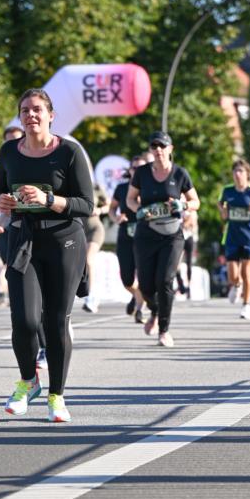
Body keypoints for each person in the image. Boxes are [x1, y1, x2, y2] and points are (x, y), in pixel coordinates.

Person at [0, 88, 93, 421]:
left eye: (37, 109)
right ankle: (28, 380)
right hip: (24, 240)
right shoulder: (9, 151)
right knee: (24, 321)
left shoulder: (69, 152)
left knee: (55, 321)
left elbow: (87, 205)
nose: (31, 115)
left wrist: (48, 199)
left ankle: (57, 396)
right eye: (25, 110)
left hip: (64, 242)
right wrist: (1, 201)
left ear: (51, 115)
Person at [126, 130, 200, 347]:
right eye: (154, 146)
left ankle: (164, 330)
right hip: (146, 234)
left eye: (162, 146)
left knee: (165, 280)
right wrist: (138, 210)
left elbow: (196, 202)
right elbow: (130, 199)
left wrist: (182, 205)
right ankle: (155, 311)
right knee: (146, 285)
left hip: (171, 235)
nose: (158, 150)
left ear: (170, 149)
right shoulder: (142, 173)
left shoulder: (180, 174)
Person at [0, 123, 47, 370]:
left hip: (46, 233)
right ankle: (40, 346)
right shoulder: (1, 164)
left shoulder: (45, 157)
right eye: (8, 140)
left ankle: (53, 334)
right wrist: (2, 207)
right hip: (13, 229)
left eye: (17, 139)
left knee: (45, 295)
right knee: (26, 297)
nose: (13, 144)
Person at [218, 158, 250, 319]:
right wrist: (223, 211)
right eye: (235, 171)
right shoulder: (227, 190)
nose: (237, 174)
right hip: (232, 236)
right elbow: (220, 205)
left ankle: (246, 305)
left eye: (240, 171)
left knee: (246, 271)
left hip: (249, 236)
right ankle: (236, 285)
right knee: (232, 275)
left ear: (247, 174)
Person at [109, 154, 148, 323]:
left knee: (145, 275)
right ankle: (138, 296)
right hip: (126, 234)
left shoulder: (150, 186)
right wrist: (116, 218)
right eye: (134, 168)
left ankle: (140, 309)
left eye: (141, 168)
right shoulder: (121, 188)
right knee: (127, 279)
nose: (137, 171)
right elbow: (112, 209)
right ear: (130, 170)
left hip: (146, 236)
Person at [82, 184, 109, 313]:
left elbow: (109, 205)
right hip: (78, 231)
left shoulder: (96, 187)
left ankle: (91, 296)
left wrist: (100, 210)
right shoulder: (70, 185)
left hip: (94, 229)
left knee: (89, 259)